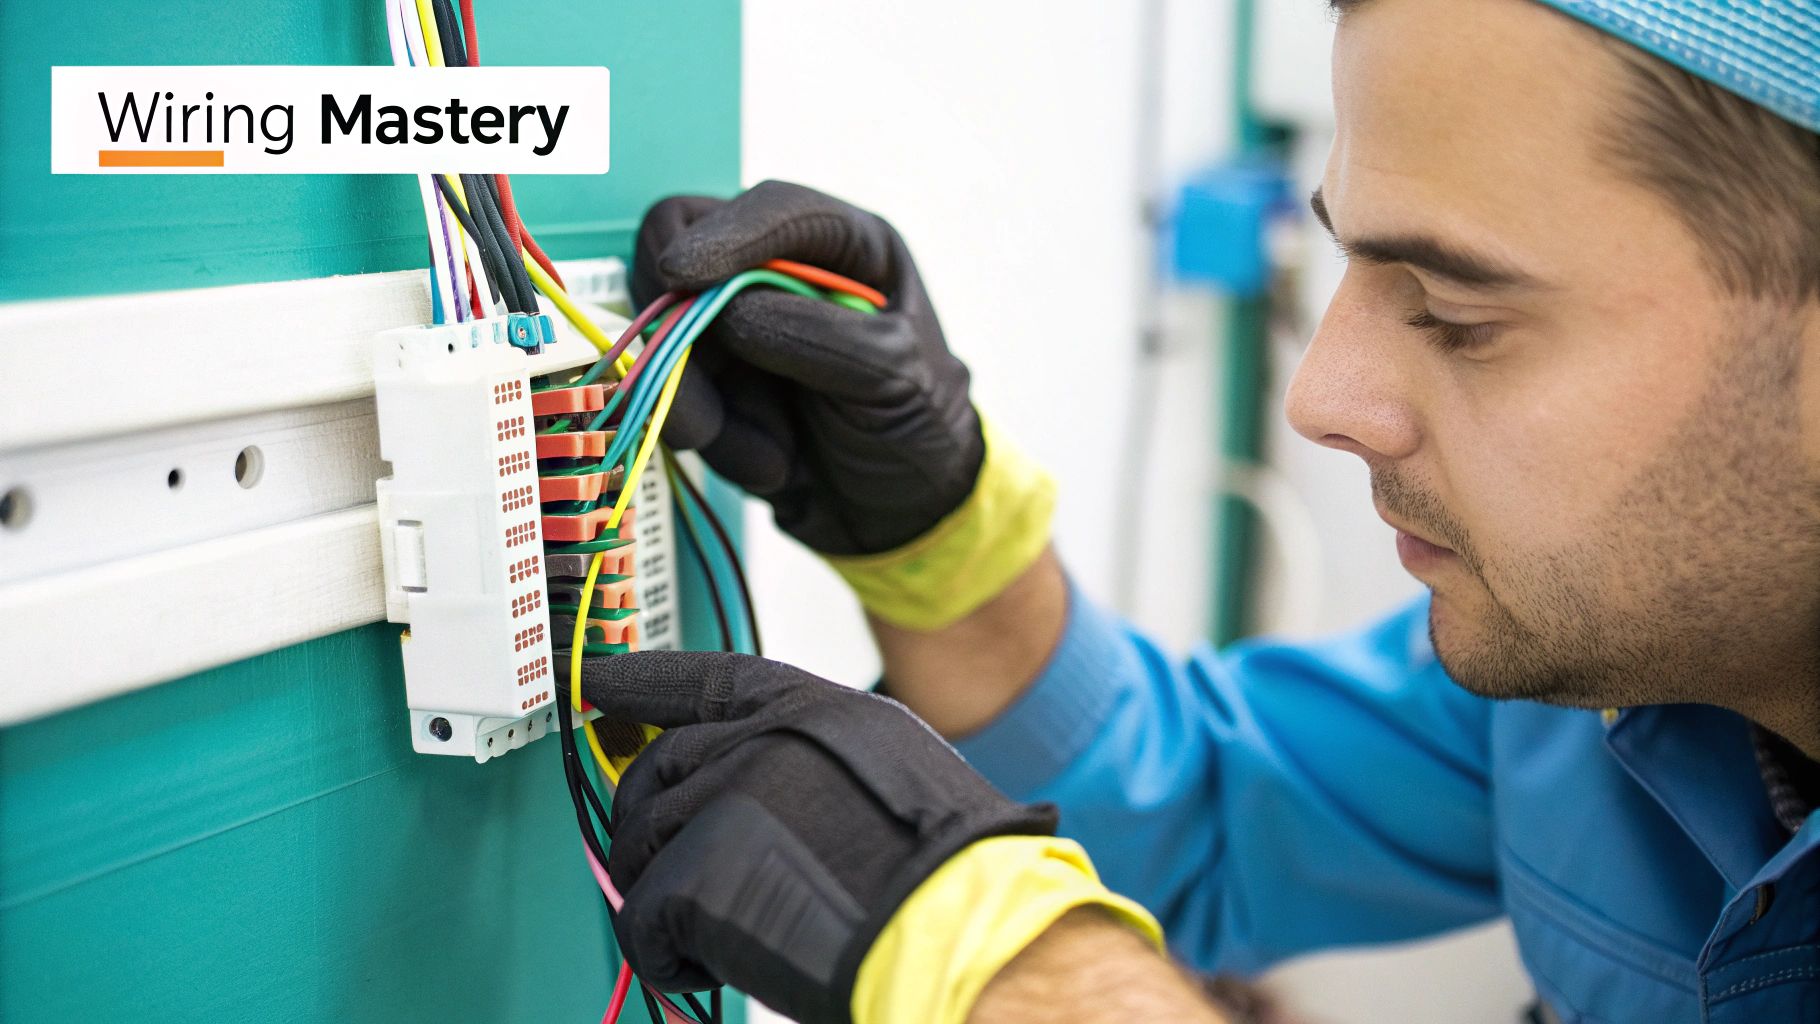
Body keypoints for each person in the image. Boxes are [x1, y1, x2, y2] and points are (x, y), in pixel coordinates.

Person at [577, 0, 1820, 1020]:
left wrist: (1038, 984)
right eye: (1351, 262)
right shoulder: (1590, 669)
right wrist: (945, 550)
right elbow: (1218, 816)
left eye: (1457, 314)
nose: (1318, 401)